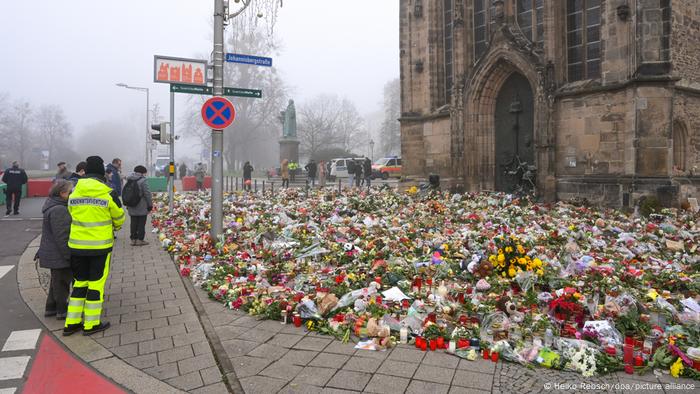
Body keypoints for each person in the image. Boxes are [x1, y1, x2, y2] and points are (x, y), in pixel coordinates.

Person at [63, 156, 124, 336]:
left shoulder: (74, 193)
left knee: (79, 283)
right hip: (99, 247)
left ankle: (72, 322)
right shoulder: (108, 193)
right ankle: (91, 324)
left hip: (77, 247)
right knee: (96, 284)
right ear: (101, 174)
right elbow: (119, 216)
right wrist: (116, 226)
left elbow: (70, 213)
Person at [37, 180, 73, 320]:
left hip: (51, 251)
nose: (72, 194)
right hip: (58, 254)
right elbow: (62, 236)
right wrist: (68, 255)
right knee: (62, 282)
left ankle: (50, 307)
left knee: (56, 281)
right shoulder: (59, 209)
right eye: (70, 192)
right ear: (62, 193)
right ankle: (61, 311)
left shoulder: (52, 204)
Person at [124, 166, 153, 246]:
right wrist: (150, 205)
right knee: (141, 223)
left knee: (133, 222)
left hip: (131, 204)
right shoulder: (143, 180)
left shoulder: (129, 179)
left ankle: (133, 240)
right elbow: (147, 194)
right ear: (143, 172)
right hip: (141, 205)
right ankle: (140, 240)